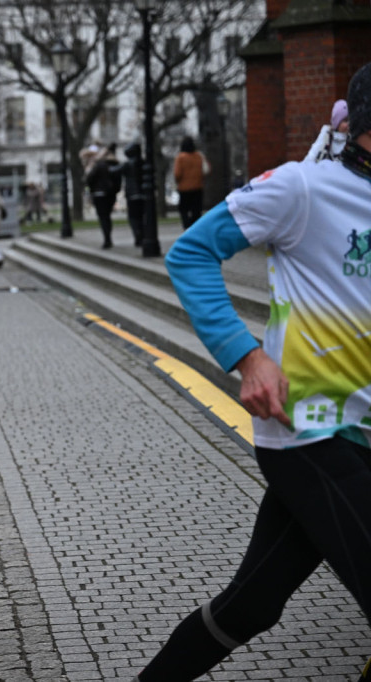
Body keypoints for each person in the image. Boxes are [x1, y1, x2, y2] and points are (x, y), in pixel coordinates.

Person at [134, 61, 371, 682]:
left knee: (252, 605)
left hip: (363, 432)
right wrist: (249, 355)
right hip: (308, 430)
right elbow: (189, 253)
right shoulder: (303, 188)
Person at [84, 143, 121, 249]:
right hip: (110, 194)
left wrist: (92, 189)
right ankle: (108, 237)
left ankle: (107, 239)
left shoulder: (99, 165)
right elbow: (118, 181)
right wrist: (115, 191)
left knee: (103, 217)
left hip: (99, 194)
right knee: (107, 216)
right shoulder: (115, 164)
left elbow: (89, 178)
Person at [173, 136, 207, 229]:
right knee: (196, 210)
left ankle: (187, 226)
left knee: (184, 209)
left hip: (184, 188)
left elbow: (177, 173)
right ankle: (195, 226)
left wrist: (178, 182)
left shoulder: (180, 157)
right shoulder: (198, 156)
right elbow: (206, 170)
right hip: (197, 186)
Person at [304, 98, 349, 163]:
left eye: (350, 120)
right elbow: (311, 157)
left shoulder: (352, 139)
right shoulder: (326, 136)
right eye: (345, 121)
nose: (349, 124)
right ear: (337, 123)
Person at [119, 142, 146, 247]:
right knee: (142, 216)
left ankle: (138, 235)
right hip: (142, 194)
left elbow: (115, 171)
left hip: (132, 194)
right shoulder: (143, 162)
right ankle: (142, 234)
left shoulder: (127, 164)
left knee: (133, 217)